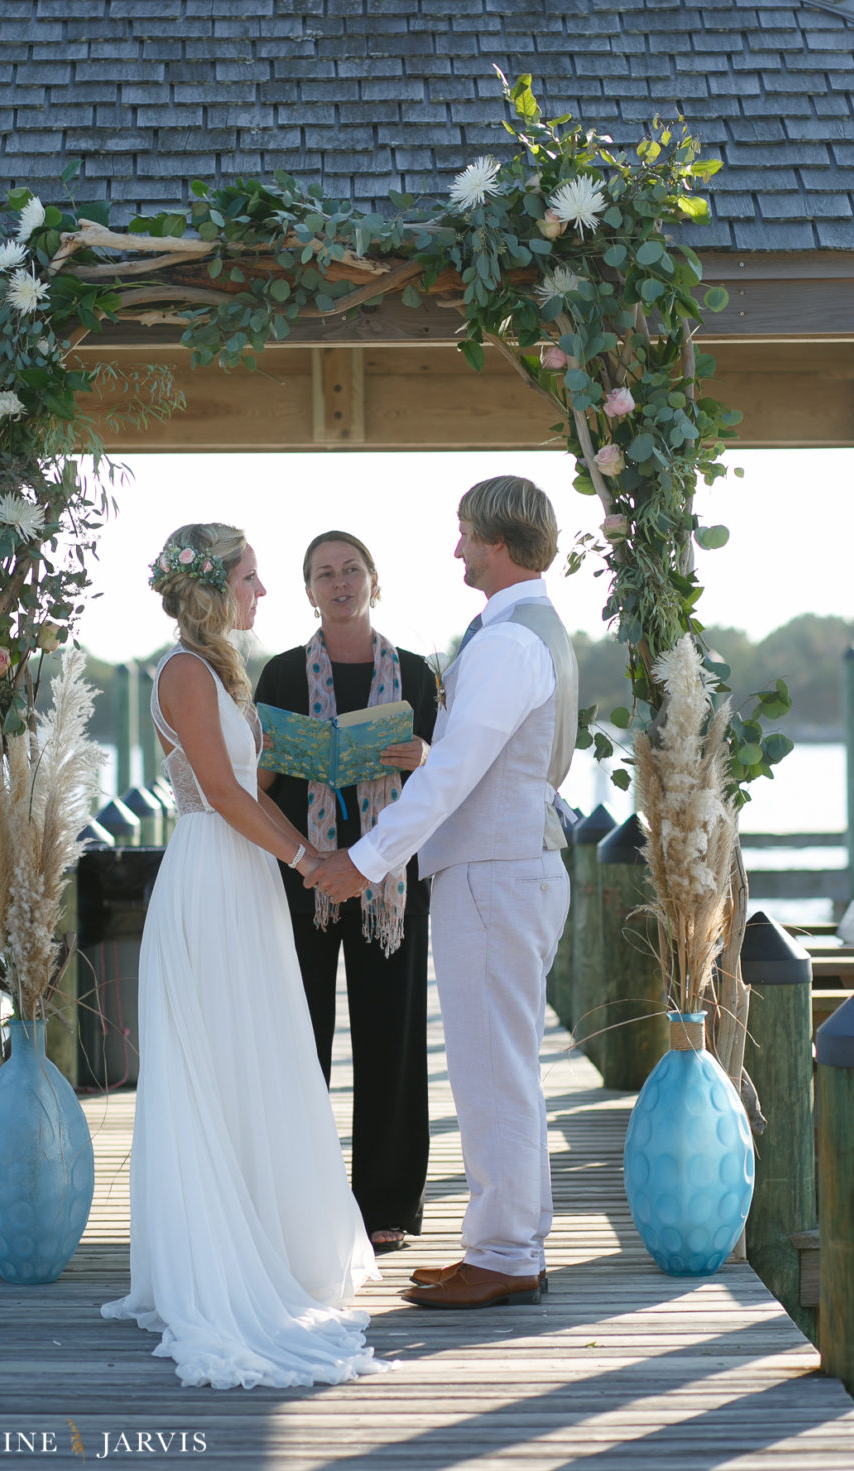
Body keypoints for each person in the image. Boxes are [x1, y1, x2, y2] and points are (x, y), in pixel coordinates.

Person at [101, 522, 383, 1389]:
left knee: (254, 1055)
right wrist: (308, 860)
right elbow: (219, 795)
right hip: (211, 879)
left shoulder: (219, 669)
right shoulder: (184, 671)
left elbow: (246, 782)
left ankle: (268, 1235)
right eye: (253, 578)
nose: (264, 593)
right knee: (216, 1063)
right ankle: (216, 1260)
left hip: (247, 881)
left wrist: (312, 774)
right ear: (214, 586)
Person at [309, 477, 578, 1311]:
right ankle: (513, 1243)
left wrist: (363, 858)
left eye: (464, 535)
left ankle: (502, 1251)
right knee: (507, 1065)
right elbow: (471, 760)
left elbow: (457, 776)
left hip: (494, 872)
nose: (456, 548)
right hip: (508, 865)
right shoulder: (532, 631)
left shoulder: (505, 643)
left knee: (491, 1069)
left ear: (497, 543)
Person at [254, 531, 438, 1256]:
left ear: (373, 580)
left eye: (351, 569)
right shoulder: (278, 675)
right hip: (306, 875)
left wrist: (424, 754)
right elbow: (257, 783)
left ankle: (386, 1202)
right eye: (324, 573)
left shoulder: (419, 676)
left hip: (389, 880)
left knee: (391, 1037)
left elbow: (448, 779)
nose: (339, 582)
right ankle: (302, 1197)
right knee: (300, 1039)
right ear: (308, 590)